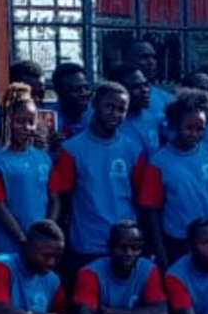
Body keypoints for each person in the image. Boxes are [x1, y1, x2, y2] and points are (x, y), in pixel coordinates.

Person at [52, 82, 149, 270]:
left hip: (125, 244)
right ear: (95, 104)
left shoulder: (133, 149)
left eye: (121, 109)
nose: (115, 114)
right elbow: (64, 198)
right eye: (110, 107)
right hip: (87, 243)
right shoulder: (71, 149)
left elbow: (140, 197)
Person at [140, 90, 208, 265]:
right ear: (175, 124)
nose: (194, 133)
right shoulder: (159, 161)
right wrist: (160, 250)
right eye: (189, 128)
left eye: (200, 129)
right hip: (177, 241)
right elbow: (152, 210)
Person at [0, 85, 56, 258]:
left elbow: (55, 200)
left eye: (31, 122)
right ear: (7, 121)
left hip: (40, 245)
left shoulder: (43, 158)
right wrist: (23, 240)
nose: (26, 127)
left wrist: (45, 233)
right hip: (6, 244)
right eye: (20, 121)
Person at [49, 61, 94, 143]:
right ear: (59, 91)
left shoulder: (97, 116)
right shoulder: (48, 118)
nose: (84, 94)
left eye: (86, 88)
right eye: (76, 89)